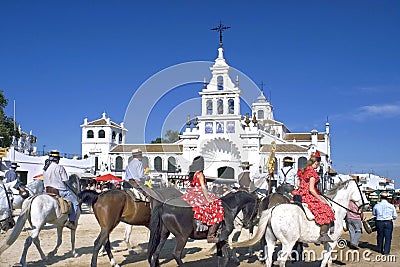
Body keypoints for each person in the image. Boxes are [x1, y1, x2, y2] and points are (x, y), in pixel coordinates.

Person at [293, 151, 335, 242]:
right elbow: (311, 189)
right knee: (326, 209)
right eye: (318, 164)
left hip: (299, 194)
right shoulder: (312, 173)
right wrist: (320, 199)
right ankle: (323, 234)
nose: (318, 166)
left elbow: (298, 184)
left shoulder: (302, 171)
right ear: (316, 163)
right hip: (307, 195)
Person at [181, 156, 224, 243]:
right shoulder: (200, 174)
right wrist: (207, 198)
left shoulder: (193, 174)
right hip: (200, 194)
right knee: (217, 209)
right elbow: (203, 187)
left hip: (192, 194)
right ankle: (211, 235)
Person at [43, 150, 79, 230]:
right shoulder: (59, 167)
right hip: (60, 190)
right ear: (57, 159)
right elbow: (65, 180)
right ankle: (71, 221)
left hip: (47, 190)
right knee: (75, 203)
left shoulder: (45, 168)